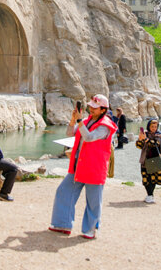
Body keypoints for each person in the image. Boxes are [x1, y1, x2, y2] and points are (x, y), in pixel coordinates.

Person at [49, 94, 117, 239]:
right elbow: (70, 133)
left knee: (93, 201)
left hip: (94, 166)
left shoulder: (105, 126)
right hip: (79, 165)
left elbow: (89, 137)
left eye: (95, 107)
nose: (91, 109)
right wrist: (73, 121)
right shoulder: (86, 121)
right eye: (90, 106)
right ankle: (62, 224)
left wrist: (79, 121)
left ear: (103, 110)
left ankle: (90, 229)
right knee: (64, 191)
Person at [136, 119, 161, 203]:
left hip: (155, 159)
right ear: (149, 126)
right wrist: (140, 139)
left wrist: (145, 139)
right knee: (146, 178)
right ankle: (149, 195)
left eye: (155, 127)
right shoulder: (145, 134)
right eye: (152, 126)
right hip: (145, 159)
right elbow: (139, 146)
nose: (154, 128)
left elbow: (155, 144)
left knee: (154, 178)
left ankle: (150, 195)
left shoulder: (159, 135)